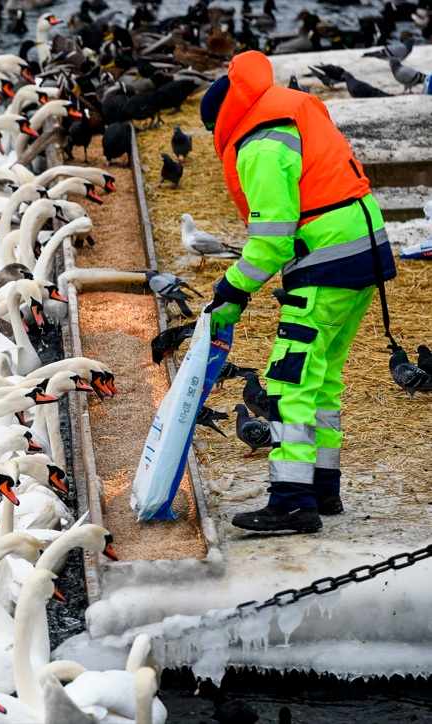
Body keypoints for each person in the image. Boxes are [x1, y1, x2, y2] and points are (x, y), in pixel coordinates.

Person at [199, 51, 395, 534]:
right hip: (364, 252)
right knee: (323, 375)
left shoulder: (260, 145)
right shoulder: (288, 110)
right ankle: (323, 488)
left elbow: (272, 239)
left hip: (325, 260)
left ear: (222, 122)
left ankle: (290, 502)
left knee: (289, 384)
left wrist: (233, 289)